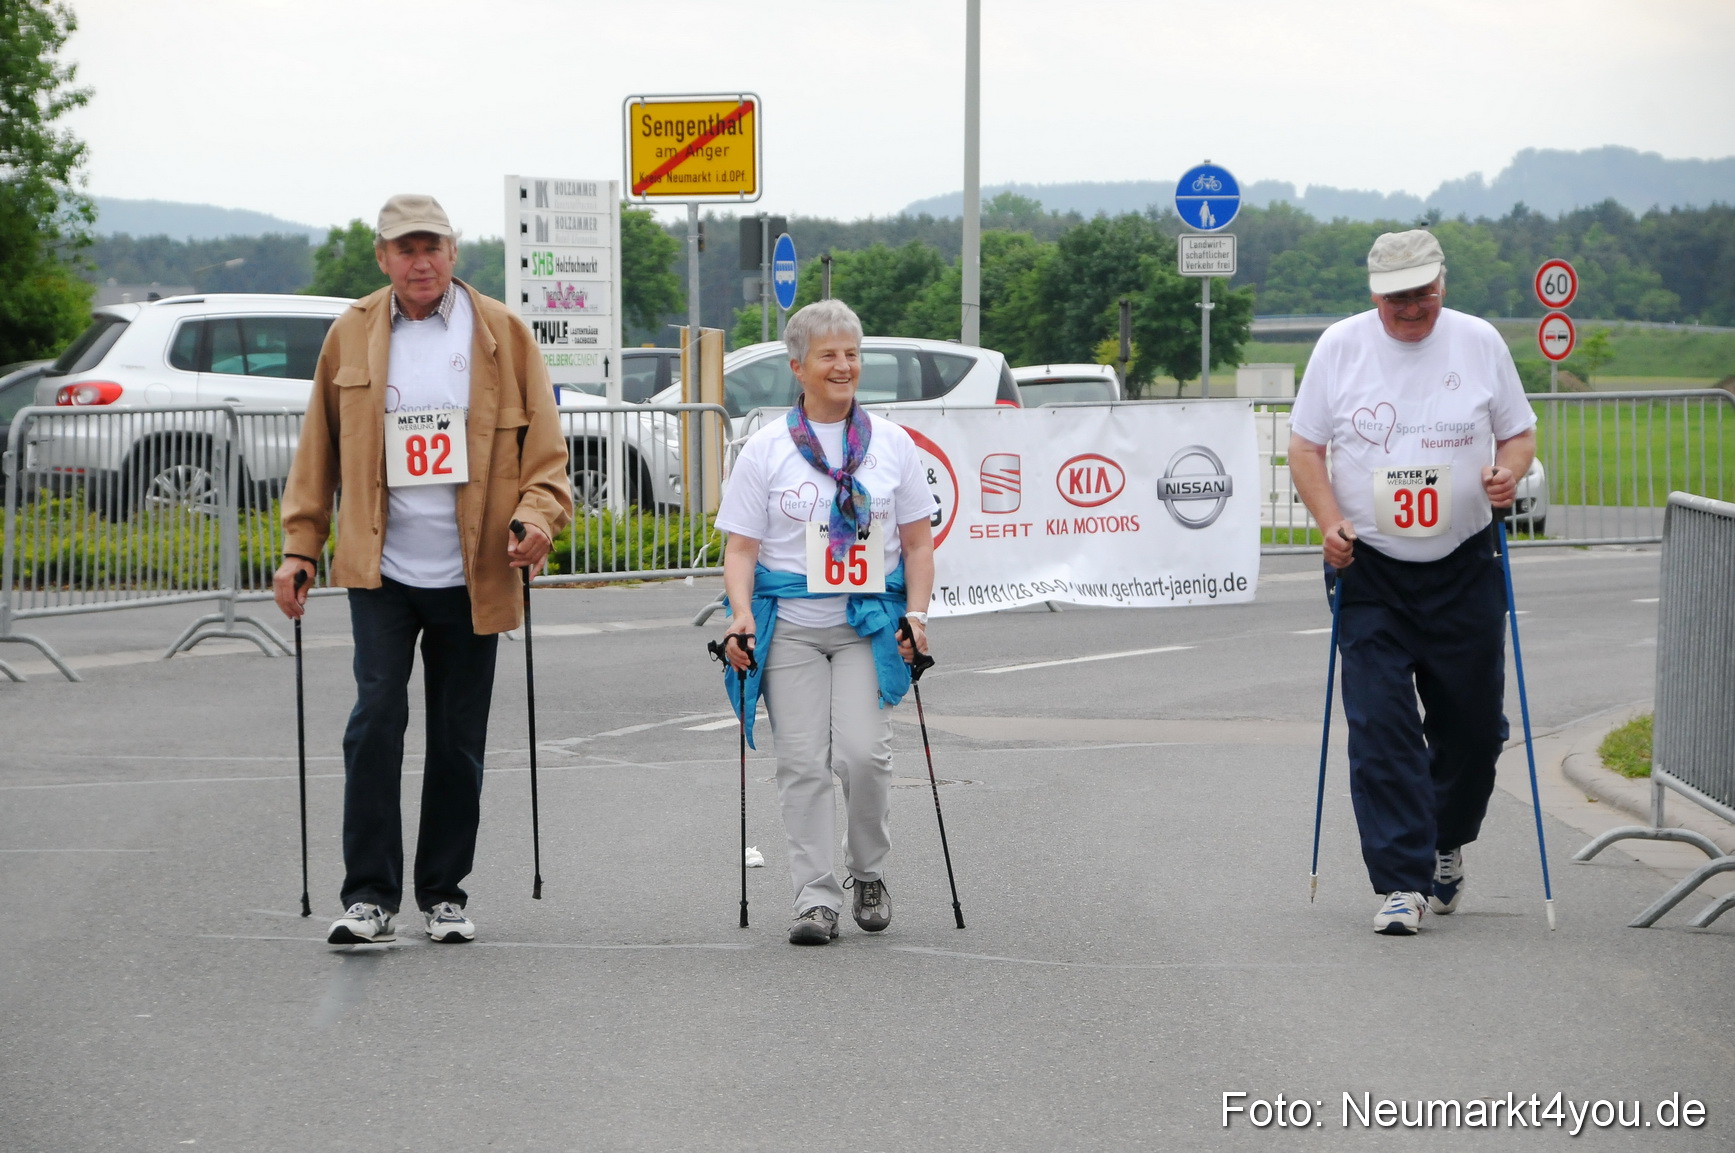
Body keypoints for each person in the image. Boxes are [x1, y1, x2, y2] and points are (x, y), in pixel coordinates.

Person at [273, 194, 572, 946]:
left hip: (476, 570)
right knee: (375, 721)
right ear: (381, 257)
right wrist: (299, 548)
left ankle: (443, 892)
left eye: (431, 245)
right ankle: (369, 895)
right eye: (404, 248)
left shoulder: (502, 332)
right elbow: (318, 452)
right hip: (382, 567)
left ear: (453, 250)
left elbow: (546, 460)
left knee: (457, 736)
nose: (419, 261)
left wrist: (536, 519)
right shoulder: (350, 333)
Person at [1288, 229, 1536, 936]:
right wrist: (1328, 522)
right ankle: (1401, 881)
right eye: (1398, 296)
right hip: (1367, 567)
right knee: (1379, 723)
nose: (1413, 307)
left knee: (1472, 727)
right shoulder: (1339, 346)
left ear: (1442, 285)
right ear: (1374, 294)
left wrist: (1507, 472)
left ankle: (1444, 840)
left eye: (1424, 291)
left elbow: (1517, 432)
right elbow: (1304, 447)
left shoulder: (1478, 340)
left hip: (1463, 560)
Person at [712, 299, 935, 946]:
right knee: (802, 761)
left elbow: (918, 545)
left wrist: (916, 614)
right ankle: (815, 898)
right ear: (797, 366)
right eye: (829, 355)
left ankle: (867, 870)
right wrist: (739, 614)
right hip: (794, 630)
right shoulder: (765, 449)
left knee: (863, 754)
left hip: (866, 623)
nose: (843, 366)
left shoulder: (891, 443)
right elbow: (741, 549)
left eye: (852, 354)